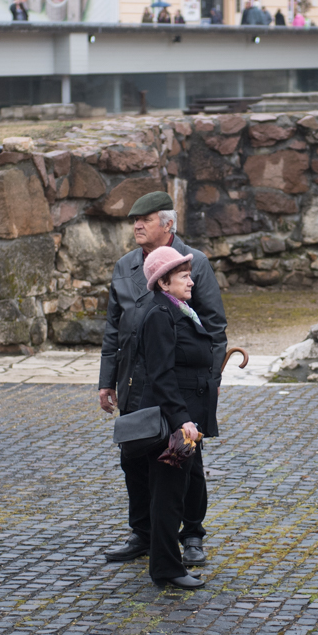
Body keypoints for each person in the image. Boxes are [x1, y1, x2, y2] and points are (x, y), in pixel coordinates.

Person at [100, 191, 227, 568]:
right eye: (133, 220)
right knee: (134, 459)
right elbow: (113, 330)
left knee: (184, 458)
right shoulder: (125, 266)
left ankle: (191, 535)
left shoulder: (194, 263)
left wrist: (210, 378)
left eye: (146, 219)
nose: (137, 225)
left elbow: (215, 326)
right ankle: (144, 533)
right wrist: (107, 381)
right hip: (135, 384)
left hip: (180, 387)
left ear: (168, 224)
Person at [127, 246, 218, 589]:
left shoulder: (178, 310)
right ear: (164, 282)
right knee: (166, 495)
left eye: (189, 274)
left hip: (185, 419)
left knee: (176, 492)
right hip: (173, 423)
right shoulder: (159, 316)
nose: (191, 281)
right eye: (183, 276)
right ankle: (166, 568)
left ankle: (169, 562)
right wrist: (183, 420)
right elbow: (161, 375)